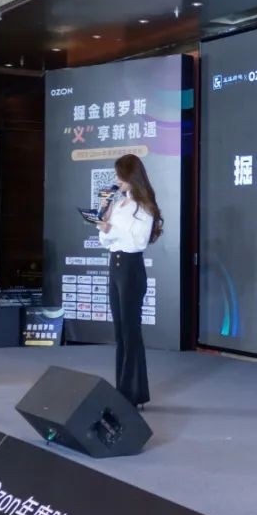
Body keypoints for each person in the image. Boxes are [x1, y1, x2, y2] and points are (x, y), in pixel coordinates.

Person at [98, 153, 163, 410]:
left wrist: (112, 230)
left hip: (130, 268)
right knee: (120, 332)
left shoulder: (144, 206)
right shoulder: (118, 204)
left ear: (131, 176)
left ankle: (134, 393)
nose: (117, 180)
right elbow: (106, 241)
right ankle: (122, 389)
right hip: (114, 266)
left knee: (130, 330)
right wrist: (104, 224)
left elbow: (139, 241)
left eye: (120, 175)